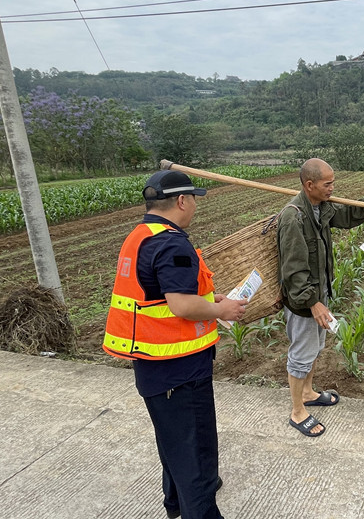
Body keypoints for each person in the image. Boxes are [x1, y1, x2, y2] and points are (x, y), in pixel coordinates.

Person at [102, 169, 248, 519]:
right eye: (194, 198)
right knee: (194, 451)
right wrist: (221, 309)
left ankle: (176, 504)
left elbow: (157, 295)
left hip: (153, 365)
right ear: (182, 200)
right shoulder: (171, 241)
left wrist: (212, 298)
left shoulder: (139, 235)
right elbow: (180, 305)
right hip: (178, 367)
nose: (194, 205)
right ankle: (198, 509)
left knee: (174, 443)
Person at [277, 158, 364, 437]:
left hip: (319, 293)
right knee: (301, 354)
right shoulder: (294, 217)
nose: (332, 188)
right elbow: (293, 270)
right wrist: (312, 302)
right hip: (304, 301)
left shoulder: (321, 207)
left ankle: (307, 392)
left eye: (332, 183)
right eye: (327, 184)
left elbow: (345, 215)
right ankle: (297, 411)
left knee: (316, 348)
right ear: (309, 184)